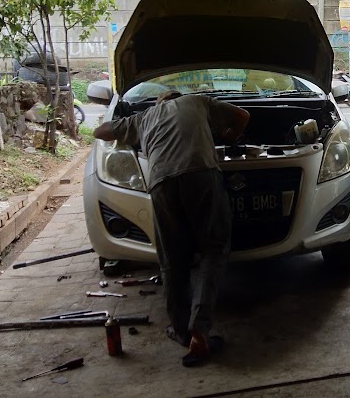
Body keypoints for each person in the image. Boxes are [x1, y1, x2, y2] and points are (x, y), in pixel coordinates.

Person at [94, 90, 249, 366]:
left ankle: (181, 331)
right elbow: (242, 115)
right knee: (213, 249)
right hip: (202, 174)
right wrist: (230, 136)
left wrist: (128, 125)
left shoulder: (144, 118)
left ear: (159, 102)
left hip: (161, 184)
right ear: (180, 98)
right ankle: (200, 330)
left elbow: (100, 131)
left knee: (172, 260)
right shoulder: (197, 101)